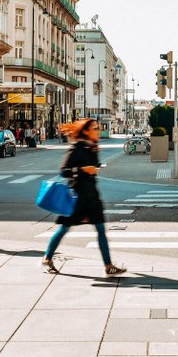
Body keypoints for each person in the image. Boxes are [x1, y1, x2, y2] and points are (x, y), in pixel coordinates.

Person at [42, 118, 126, 276]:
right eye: (94, 128)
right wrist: (82, 170)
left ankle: (108, 266)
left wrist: (95, 167)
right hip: (77, 197)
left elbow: (94, 168)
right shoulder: (76, 148)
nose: (97, 131)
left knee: (101, 229)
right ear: (86, 131)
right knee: (64, 228)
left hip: (92, 197)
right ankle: (47, 258)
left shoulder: (92, 148)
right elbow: (64, 171)